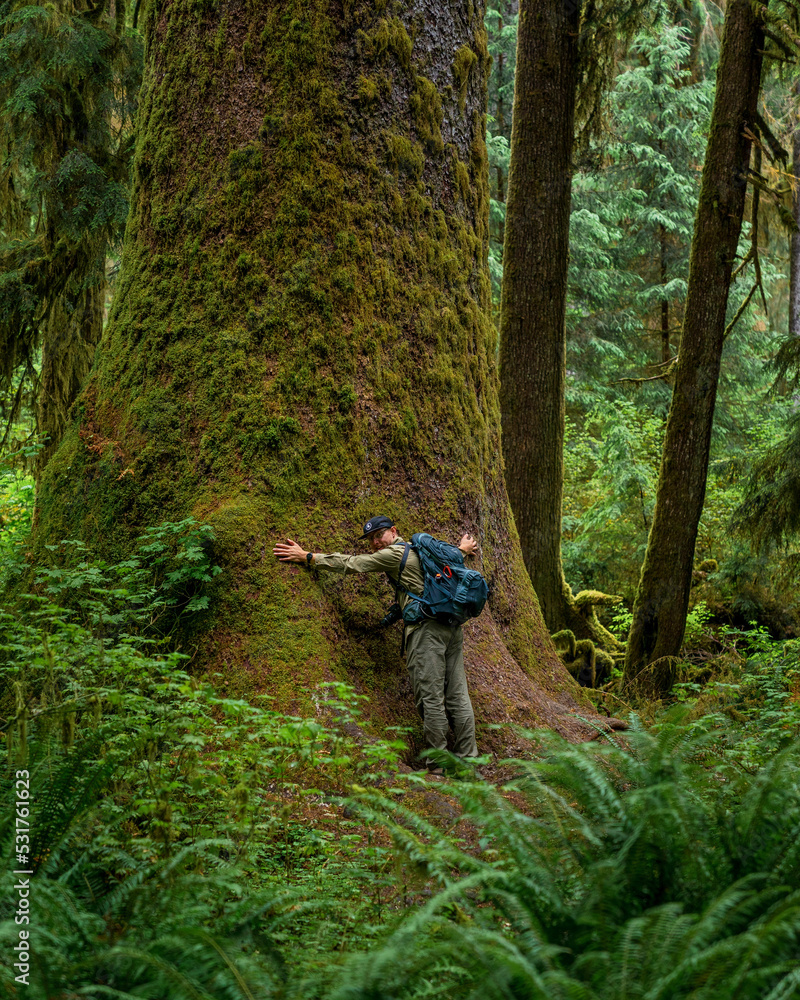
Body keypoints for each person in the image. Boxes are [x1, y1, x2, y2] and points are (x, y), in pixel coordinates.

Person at [273, 516, 480, 769]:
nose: (375, 542)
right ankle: (469, 759)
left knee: (431, 698)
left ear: (393, 531)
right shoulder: (425, 551)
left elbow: (354, 563)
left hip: (426, 632)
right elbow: (454, 560)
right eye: (371, 539)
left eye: (379, 535)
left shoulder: (394, 554)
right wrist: (463, 549)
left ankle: (438, 763)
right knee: (458, 694)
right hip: (452, 628)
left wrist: (309, 557)